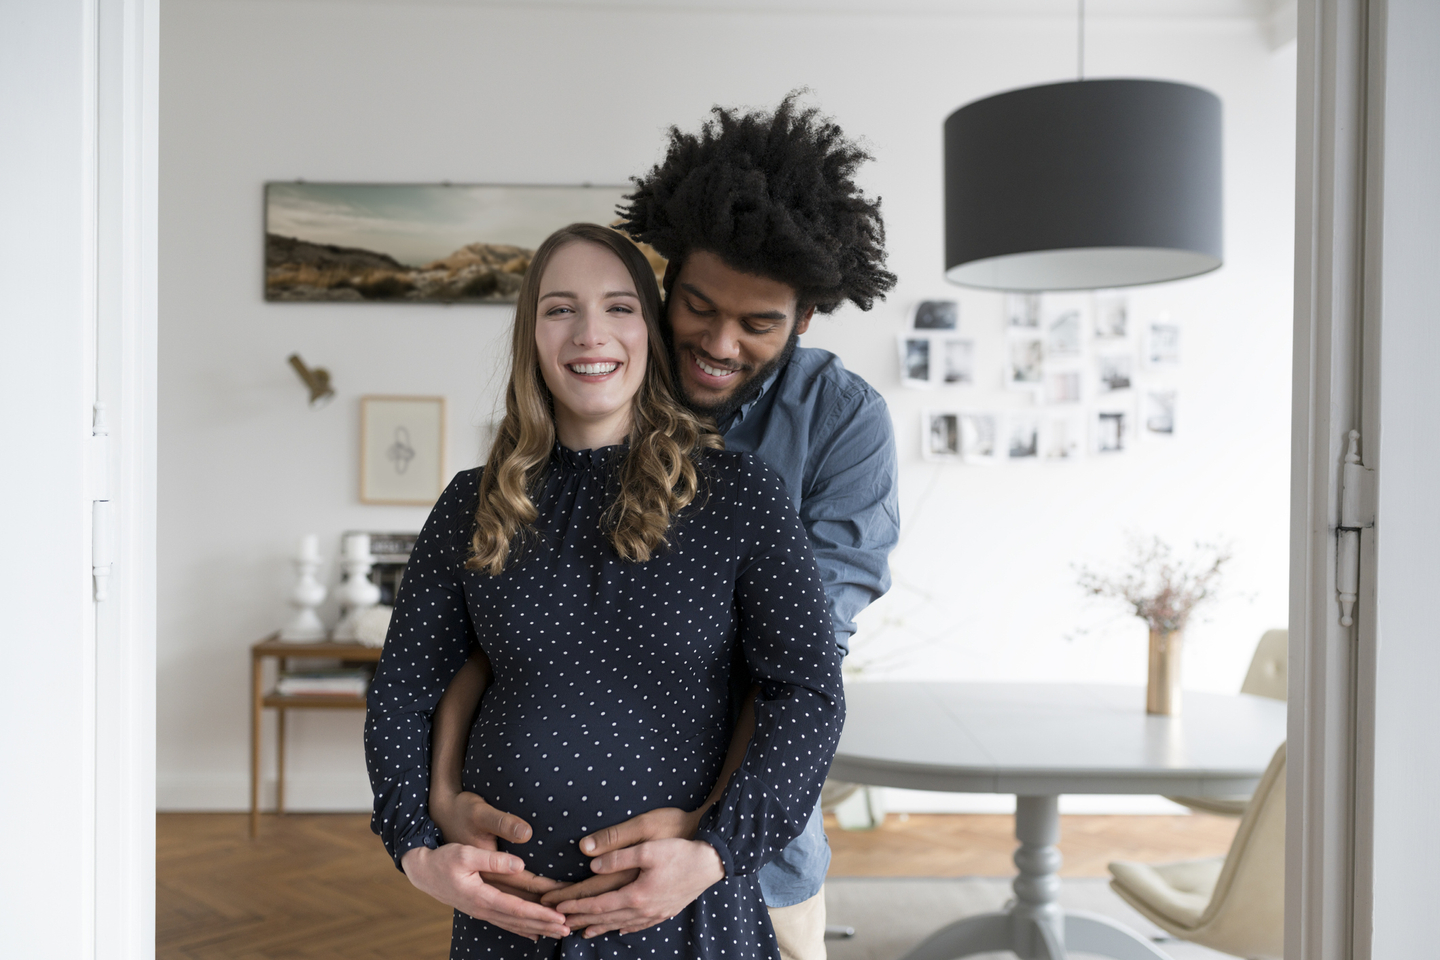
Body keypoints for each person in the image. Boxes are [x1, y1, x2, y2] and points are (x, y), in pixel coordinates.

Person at [427, 97, 900, 960]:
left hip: (753, 861)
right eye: (697, 307)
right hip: (540, 876)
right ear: (663, 283)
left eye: (758, 325)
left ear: (805, 319)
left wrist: (706, 836)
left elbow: (796, 664)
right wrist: (444, 797)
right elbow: (490, 632)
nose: (718, 343)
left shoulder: (841, 423)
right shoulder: (605, 378)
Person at [364, 221, 846, 959]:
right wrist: (418, 850)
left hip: (685, 910)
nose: (591, 333)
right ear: (532, 334)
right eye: (561, 309)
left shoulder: (741, 497)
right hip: (509, 921)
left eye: (619, 308)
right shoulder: (471, 503)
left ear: (650, 331)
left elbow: (807, 693)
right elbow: (402, 692)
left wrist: (714, 852)